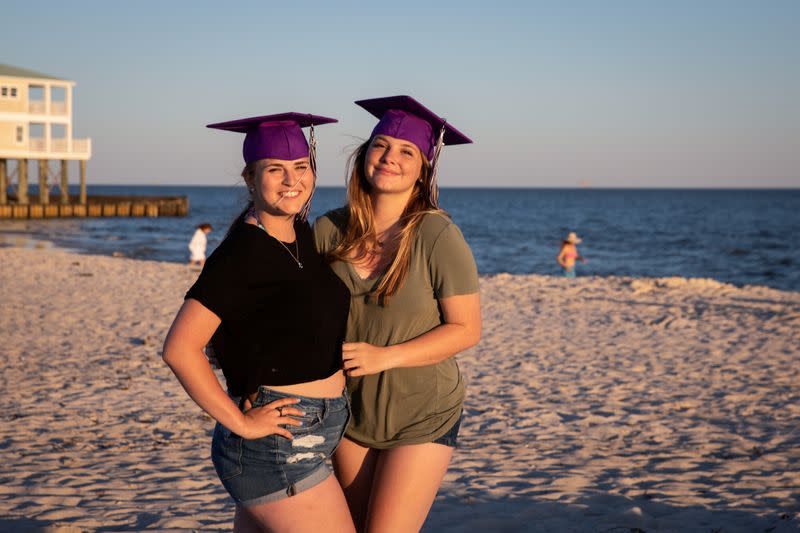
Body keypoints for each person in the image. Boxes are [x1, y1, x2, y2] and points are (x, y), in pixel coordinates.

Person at [162, 113, 355, 532]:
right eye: (275, 170)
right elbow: (179, 349)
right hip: (276, 446)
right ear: (251, 178)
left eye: (300, 167)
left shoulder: (298, 232)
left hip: (317, 432)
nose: (292, 180)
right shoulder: (241, 254)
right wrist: (242, 422)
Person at [314, 95, 482, 532]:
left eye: (406, 151)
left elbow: (466, 329)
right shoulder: (328, 230)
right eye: (381, 145)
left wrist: (383, 357)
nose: (391, 158)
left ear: (424, 167)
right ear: (364, 154)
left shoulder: (437, 234)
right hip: (351, 411)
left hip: (424, 412)